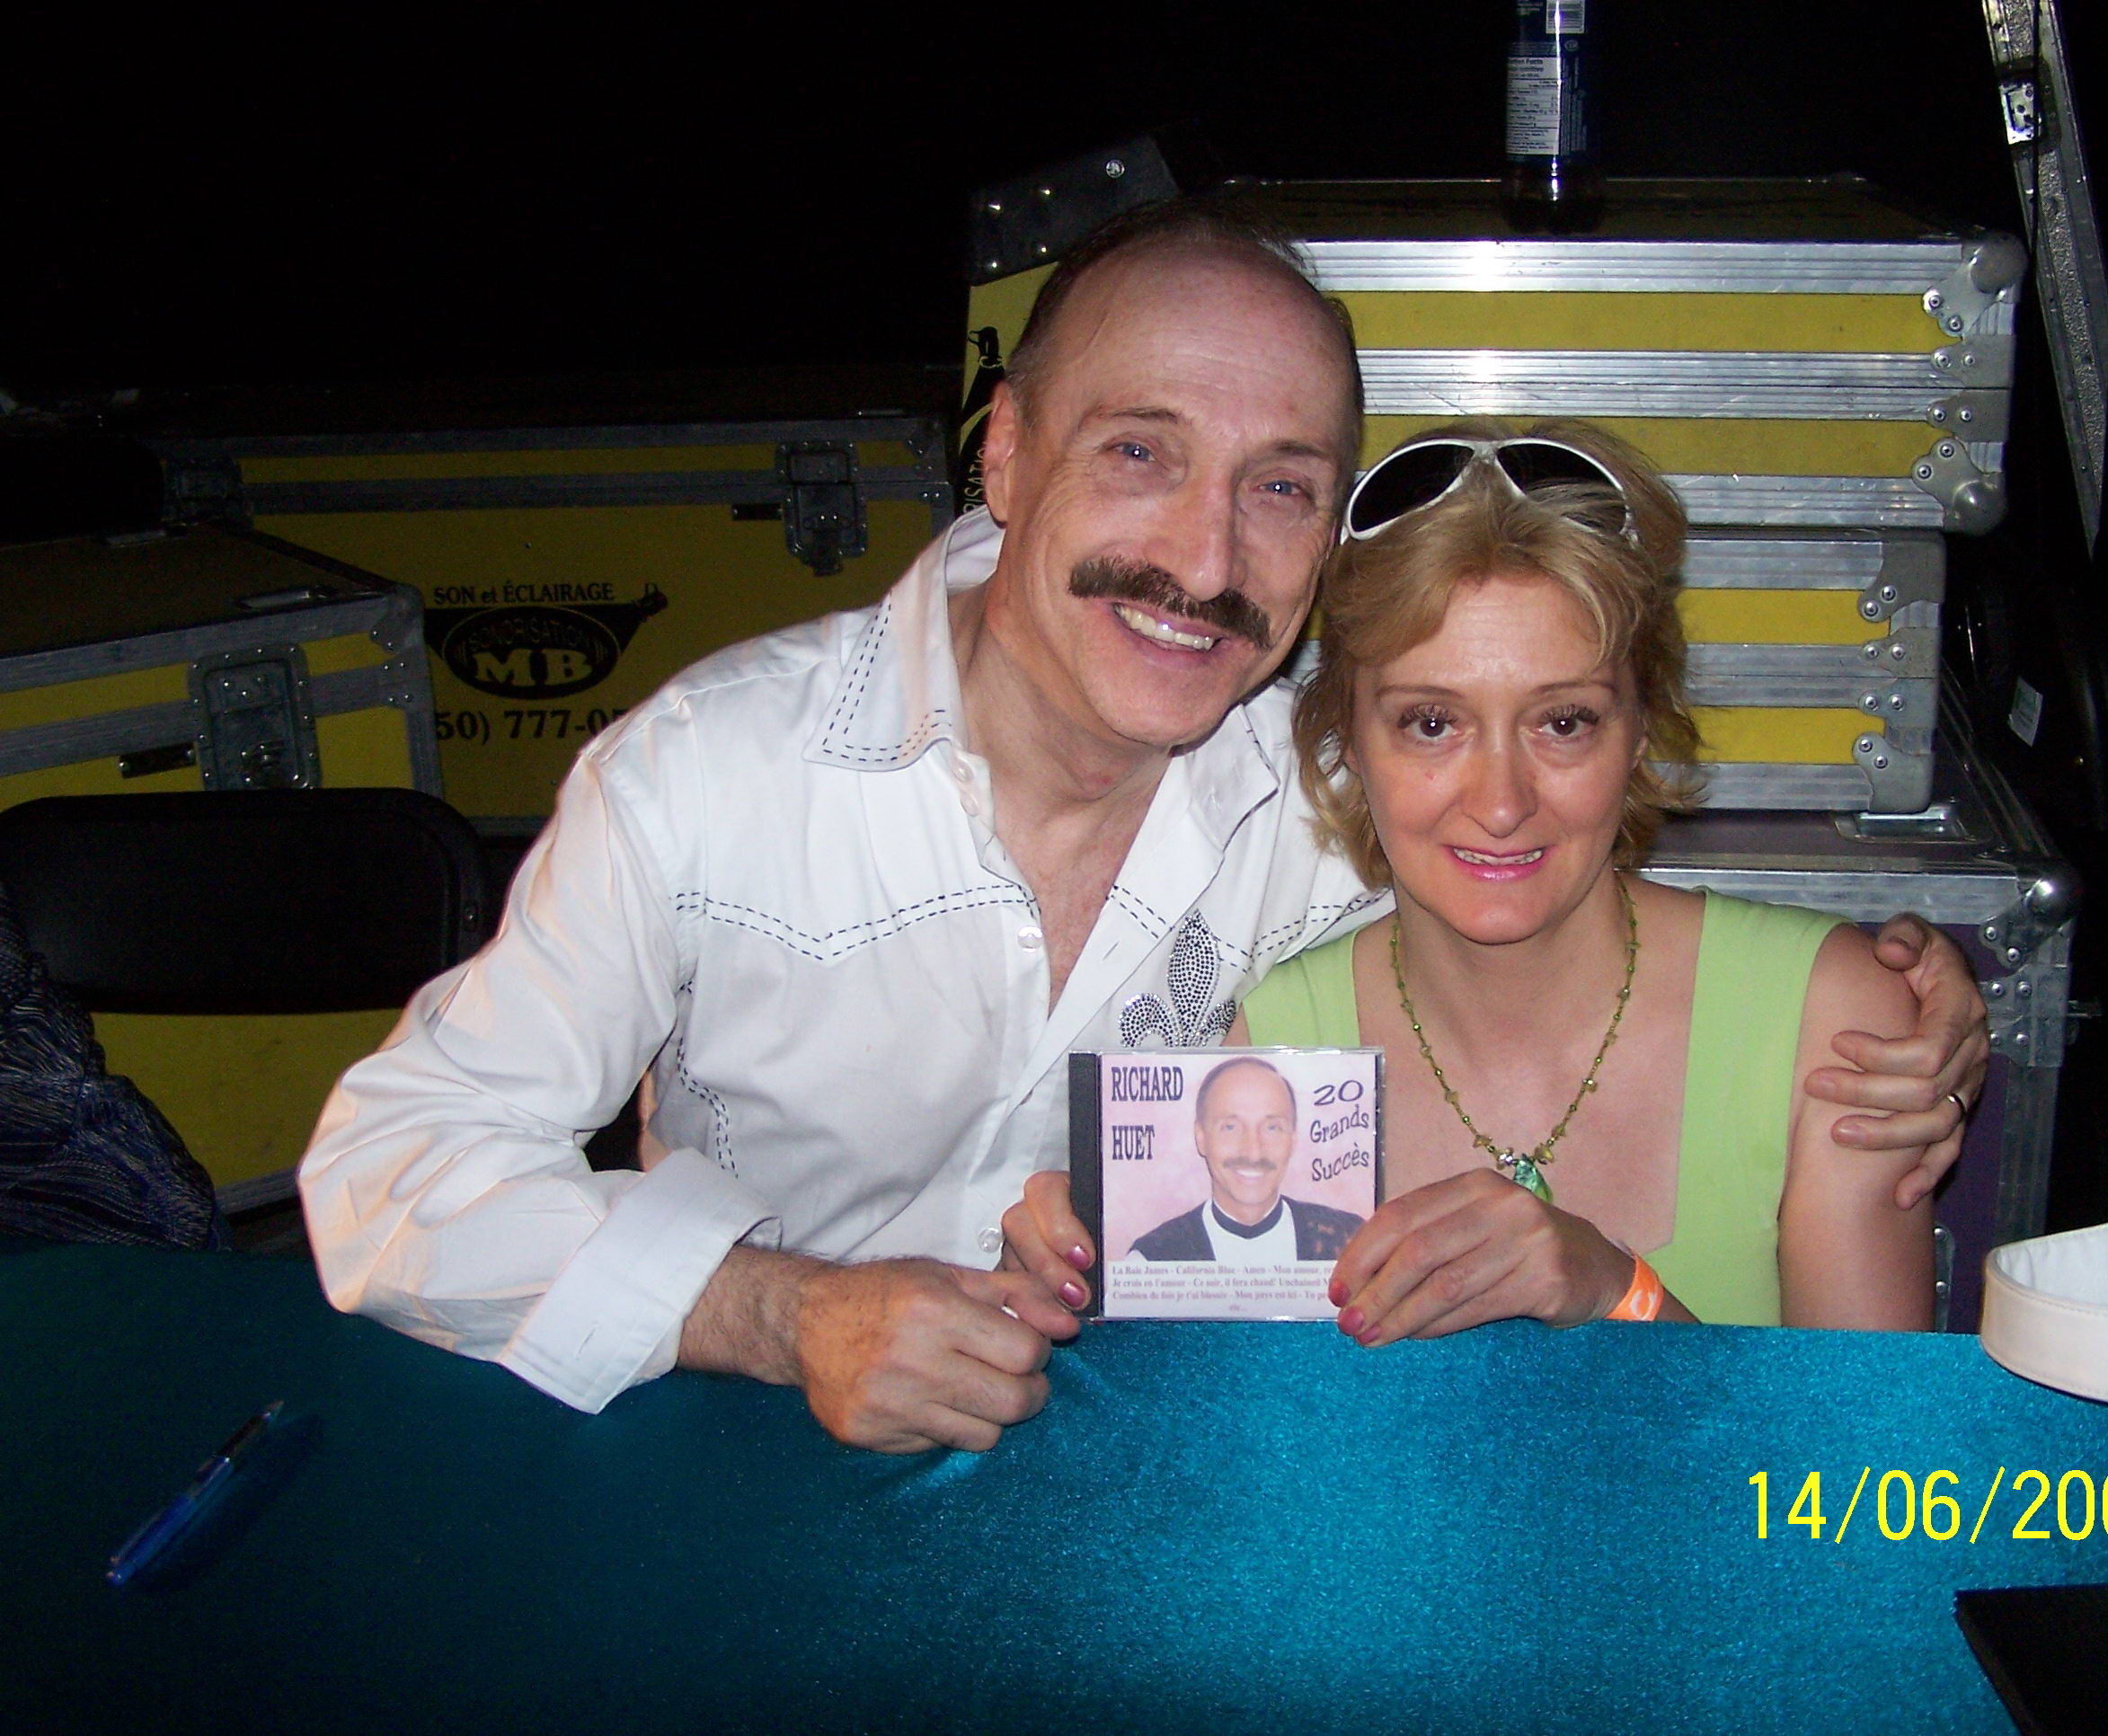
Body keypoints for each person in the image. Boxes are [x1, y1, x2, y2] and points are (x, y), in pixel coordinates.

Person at [302, 202, 1985, 1455]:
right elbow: (391, 1165)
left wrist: (1902, 986)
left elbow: (1540, 843)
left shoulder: (1328, 805)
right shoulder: (709, 776)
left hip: (1134, 1509)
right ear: (1006, 457)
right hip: (743, 1460)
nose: (1203, 558)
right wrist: (777, 1310)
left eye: (1279, 485)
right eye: (1139, 451)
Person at [1005, 418, 1939, 1336]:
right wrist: (1083, 1312)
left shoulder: (1836, 1028)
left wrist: (1618, 1293)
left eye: (1563, 722)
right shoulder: (1270, 1051)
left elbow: (1865, 1443)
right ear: (1344, 740)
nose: (1499, 804)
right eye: (1431, 724)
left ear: (1640, 729)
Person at [1127, 1056, 1363, 1262]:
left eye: (1272, 1127)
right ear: (1201, 1138)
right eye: (1230, 1127)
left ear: (1293, 1139)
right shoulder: (1150, 1258)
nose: (1253, 1152)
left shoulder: (1350, 1241)